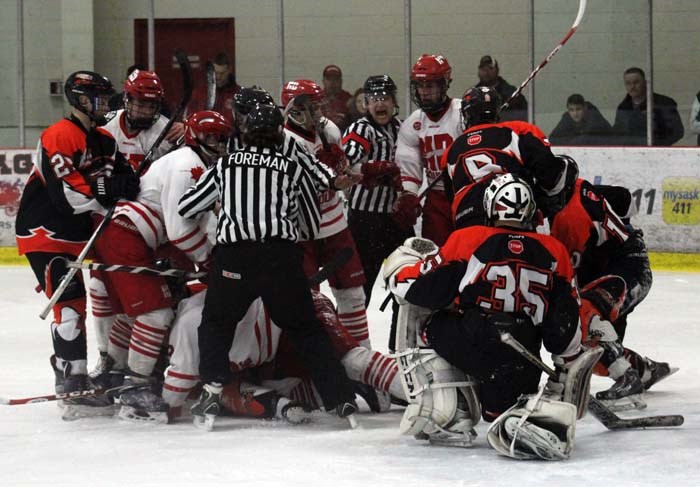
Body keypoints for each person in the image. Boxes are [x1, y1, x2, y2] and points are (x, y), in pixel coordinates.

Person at [385, 174, 598, 460]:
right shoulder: (555, 250)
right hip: (525, 363)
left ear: (489, 206)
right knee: (500, 409)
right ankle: (515, 414)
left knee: (428, 323)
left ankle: (451, 414)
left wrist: (397, 273)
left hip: (479, 347)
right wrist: (565, 368)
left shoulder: (467, 238)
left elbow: (422, 289)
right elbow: (565, 329)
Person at [177, 104, 357, 431]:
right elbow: (326, 183)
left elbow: (187, 205)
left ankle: (212, 388)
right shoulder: (290, 164)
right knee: (306, 329)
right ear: (278, 132)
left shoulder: (226, 163)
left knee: (217, 324)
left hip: (235, 258)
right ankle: (339, 397)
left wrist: (224, 207)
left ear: (245, 132)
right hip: (281, 258)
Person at [89, 110, 231, 423]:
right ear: (195, 136)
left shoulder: (197, 164)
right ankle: (135, 389)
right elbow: (181, 228)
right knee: (156, 312)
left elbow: (194, 223)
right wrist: (208, 260)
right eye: (211, 138)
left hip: (132, 236)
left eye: (222, 138)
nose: (218, 145)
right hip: (128, 235)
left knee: (145, 309)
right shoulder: (188, 165)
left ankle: (115, 372)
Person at [14, 71, 140, 418]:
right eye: (98, 98)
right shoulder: (58, 135)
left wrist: (121, 185)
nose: (105, 104)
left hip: (80, 235)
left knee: (85, 303)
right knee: (69, 307)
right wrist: (106, 190)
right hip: (44, 232)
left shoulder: (104, 140)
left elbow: (127, 180)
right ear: (80, 100)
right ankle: (72, 379)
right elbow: (66, 194)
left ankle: (77, 370)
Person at [534, 155, 676, 406]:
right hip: (601, 272)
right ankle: (645, 370)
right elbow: (621, 198)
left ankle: (628, 376)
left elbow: (569, 269)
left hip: (628, 268)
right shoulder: (569, 195)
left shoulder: (576, 212)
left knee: (584, 315)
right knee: (595, 353)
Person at [163, 286, 405, 420]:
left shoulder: (184, 325)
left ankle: (425, 393)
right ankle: (355, 384)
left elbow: (171, 401)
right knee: (279, 390)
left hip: (293, 314)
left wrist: (154, 397)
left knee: (351, 359)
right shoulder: (193, 299)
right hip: (274, 352)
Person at [91, 68, 185, 380]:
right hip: (109, 223)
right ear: (126, 99)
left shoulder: (167, 132)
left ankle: (149, 361)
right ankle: (107, 358)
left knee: (152, 300)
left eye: (150, 105)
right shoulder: (105, 127)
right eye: (138, 103)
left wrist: (188, 136)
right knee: (100, 288)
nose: (143, 110)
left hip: (154, 228)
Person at [281, 79, 371, 348]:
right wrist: (327, 175)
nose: (319, 112)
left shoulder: (328, 129)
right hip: (300, 231)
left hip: (334, 224)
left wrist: (352, 171)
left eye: (320, 105)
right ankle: (311, 360)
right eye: (312, 107)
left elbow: (343, 171)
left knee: (353, 295)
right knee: (306, 300)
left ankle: (361, 356)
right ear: (294, 110)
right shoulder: (283, 141)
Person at [442, 86, 563, 230]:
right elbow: (550, 175)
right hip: (511, 212)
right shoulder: (519, 130)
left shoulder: (450, 151)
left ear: (466, 114)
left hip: (468, 219)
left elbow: (451, 199)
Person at [342, 75, 407, 307]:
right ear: (366, 103)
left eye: (386, 98)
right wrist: (372, 169)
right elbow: (342, 163)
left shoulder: (401, 127)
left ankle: (401, 337)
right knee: (362, 284)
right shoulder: (362, 128)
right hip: (365, 220)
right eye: (374, 99)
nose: (380, 104)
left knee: (408, 279)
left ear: (394, 101)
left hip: (394, 217)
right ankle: (353, 338)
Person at [395, 54, 461, 247]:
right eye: (420, 86)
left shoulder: (463, 113)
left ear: (444, 85)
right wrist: (409, 195)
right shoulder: (414, 123)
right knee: (435, 256)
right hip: (436, 201)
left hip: (465, 193)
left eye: (430, 86)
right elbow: (409, 168)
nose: (424, 92)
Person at [612, 67, 684, 146]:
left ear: (645, 83)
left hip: (658, 153)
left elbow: (677, 132)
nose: (632, 86)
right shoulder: (623, 107)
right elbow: (618, 133)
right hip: (630, 154)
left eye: (636, 82)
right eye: (628, 83)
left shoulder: (664, 103)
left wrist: (657, 146)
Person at [190, 52, 241, 126]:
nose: (218, 77)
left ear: (230, 70)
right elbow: (190, 117)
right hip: (203, 135)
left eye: (222, 73)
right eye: (216, 73)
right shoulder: (199, 93)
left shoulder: (238, 94)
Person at [476, 55, 527, 122]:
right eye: (483, 69)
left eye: (490, 68)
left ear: (497, 70)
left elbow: (524, 116)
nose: (486, 72)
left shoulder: (512, 94)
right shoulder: (474, 95)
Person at [321, 64, 352, 132]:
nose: (332, 83)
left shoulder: (349, 99)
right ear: (323, 81)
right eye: (329, 79)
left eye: (336, 79)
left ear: (341, 81)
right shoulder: (317, 99)